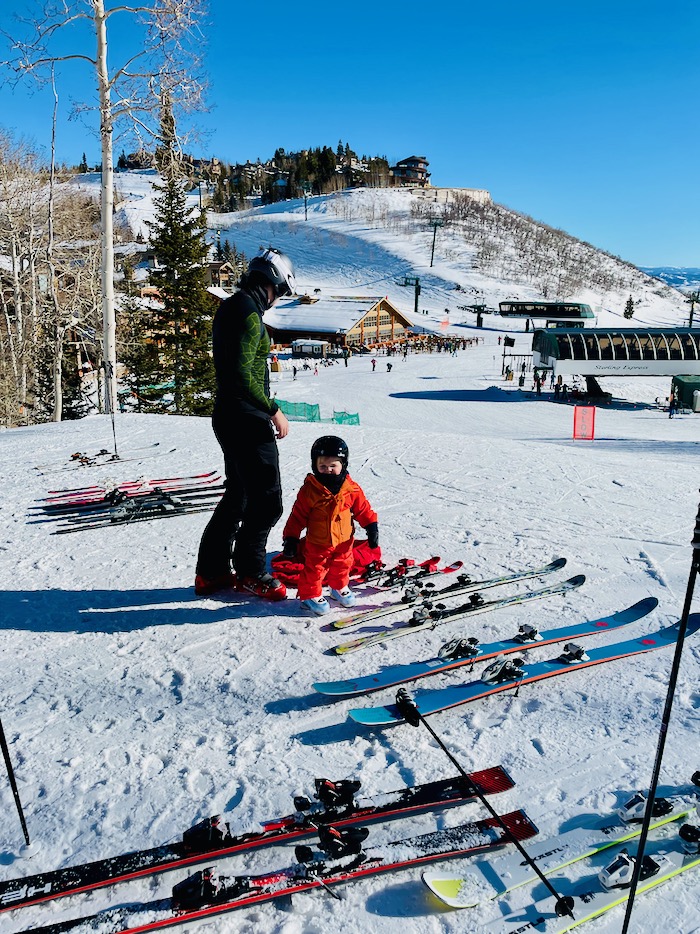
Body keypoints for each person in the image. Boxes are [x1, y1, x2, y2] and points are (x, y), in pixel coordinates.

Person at [194, 247, 295, 601]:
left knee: (238, 495)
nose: (277, 300)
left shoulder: (233, 306)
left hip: (229, 414)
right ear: (271, 283)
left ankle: (212, 571)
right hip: (246, 417)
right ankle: (251, 571)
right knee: (267, 499)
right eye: (280, 292)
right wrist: (272, 409)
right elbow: (241, 375)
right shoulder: (248, 314)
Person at [281, 436, 378, 616]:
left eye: (333, 466)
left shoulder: (351, 489)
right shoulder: (310, 490)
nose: (328, 470)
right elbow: (297, 516)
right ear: (315, 466)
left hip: (344, 540)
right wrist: (291, 538)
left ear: (343, 464)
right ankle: (309, 596)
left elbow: (362, 509)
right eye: (323, 467)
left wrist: (371, 526)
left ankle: (338, 587)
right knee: (315, 569)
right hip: (318, 541)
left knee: (343, 565)